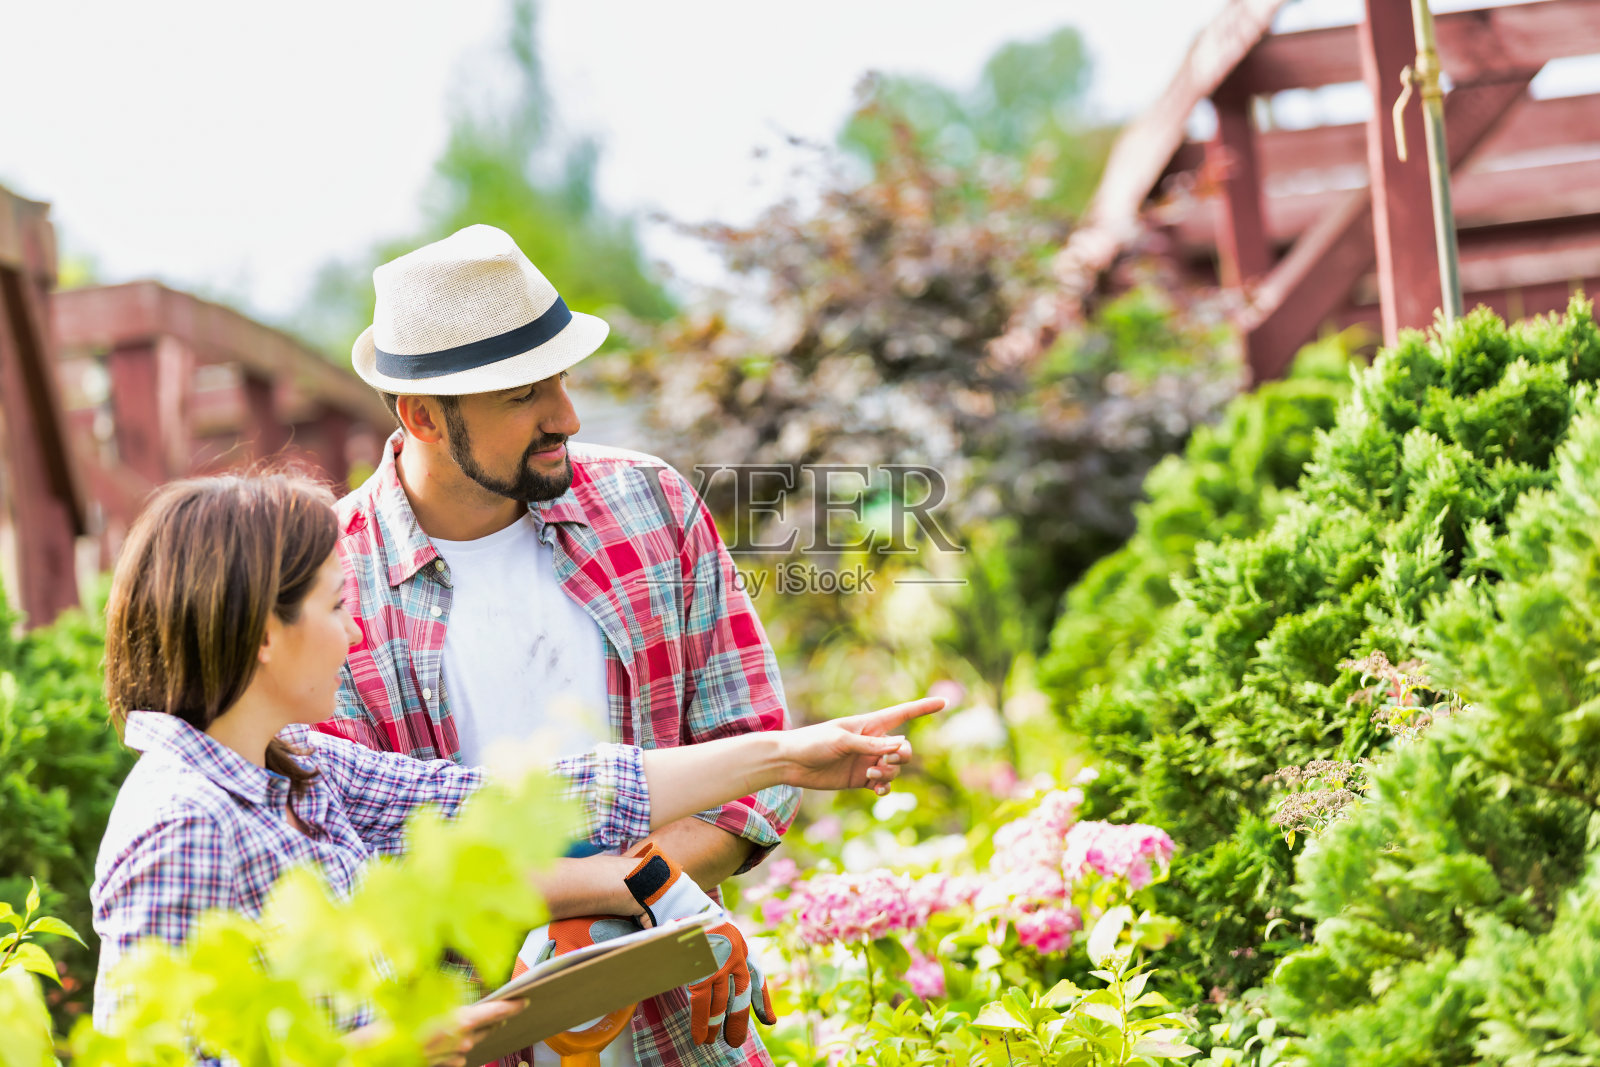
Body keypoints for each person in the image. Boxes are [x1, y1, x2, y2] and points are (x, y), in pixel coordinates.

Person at [91, 473, 942, 1066]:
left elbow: (524, 803)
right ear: (265, 634)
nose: (355, 633)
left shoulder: (302, 772)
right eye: (338, 606)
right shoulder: (182, 821)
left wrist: (789, 753)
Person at [328, 224, 885, 1065]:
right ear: (423, 417)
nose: (567, 415)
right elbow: (352, 864)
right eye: (524, 395)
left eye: (561, 378)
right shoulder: (324, 586)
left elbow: (751, 774)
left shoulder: (650, 504)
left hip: (682, 1029)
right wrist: (601, 904)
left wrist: (625, 909)